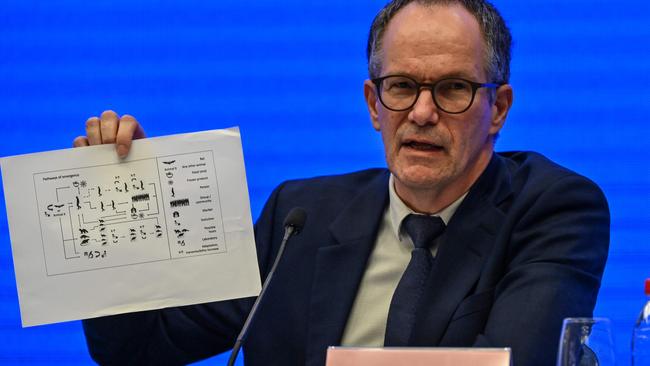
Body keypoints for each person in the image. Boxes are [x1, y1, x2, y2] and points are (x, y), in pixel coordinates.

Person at [78, 1, 610, 365]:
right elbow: (138, 348)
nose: (422, 113)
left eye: (453, 89)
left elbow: (516, 358)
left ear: (499, 109)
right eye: (400, 86)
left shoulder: (553, 208)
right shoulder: (300, 216)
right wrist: (125, 214)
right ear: (373, 105)